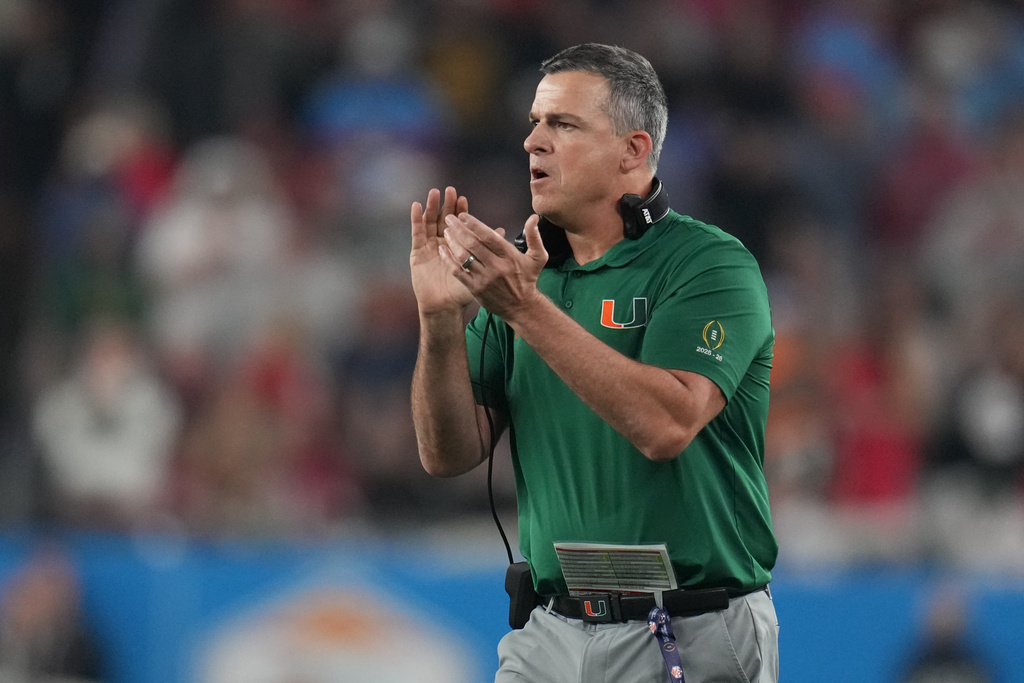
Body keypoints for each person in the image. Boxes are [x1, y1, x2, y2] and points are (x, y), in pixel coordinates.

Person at [409, 43, 779, 683]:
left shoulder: (708, 265)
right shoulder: (525, 277)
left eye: (562, 124)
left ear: (633, 150)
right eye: (533, 122)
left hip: (689, 627)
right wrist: (441, 323)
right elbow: (448, 454)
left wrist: (526, 311)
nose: (533, 142)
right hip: (548, 629)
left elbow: (666, 425)